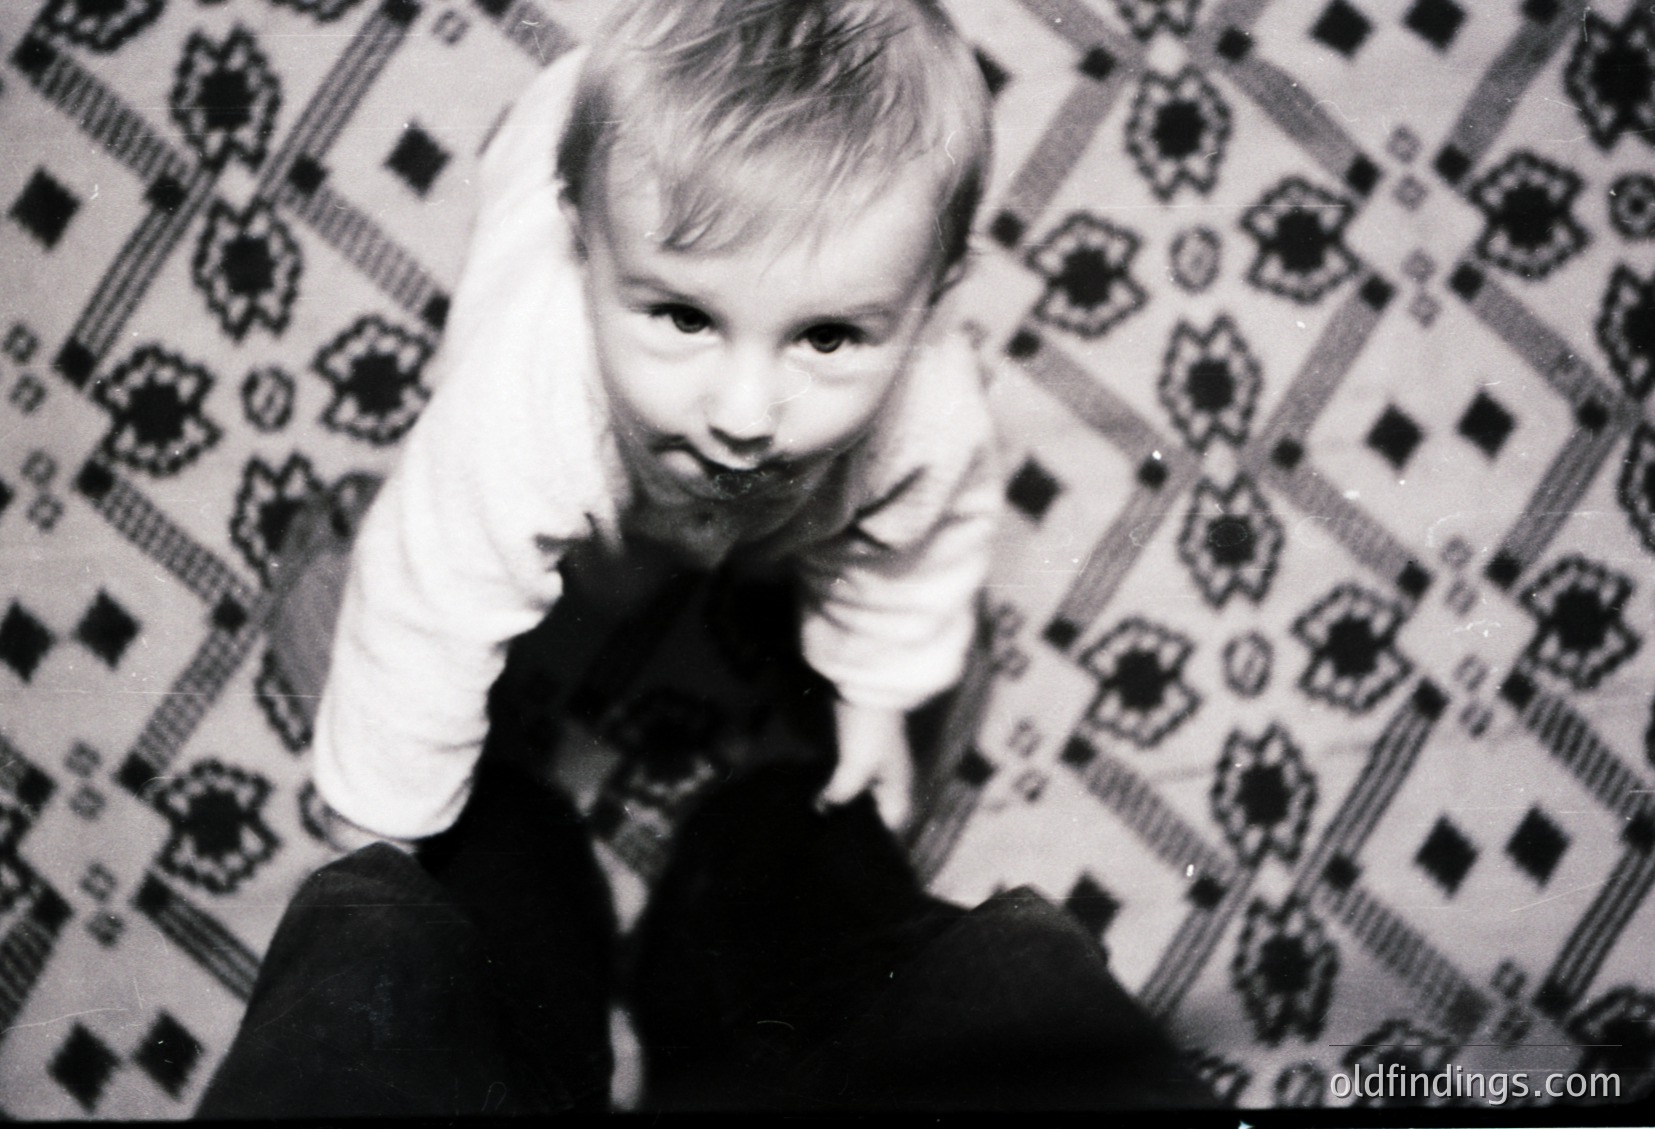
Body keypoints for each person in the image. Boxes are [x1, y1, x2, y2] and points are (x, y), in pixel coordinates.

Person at [309, 0, 1002, 856]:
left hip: (778, 511)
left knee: (912, 568)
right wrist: (379, 831)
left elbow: (913, 545)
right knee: (423, 566)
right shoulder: (518, 407)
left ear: (933, 298)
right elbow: (426, 613)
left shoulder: (926, 408)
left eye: (826, 336)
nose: (744, 417)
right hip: (539, 399)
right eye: (682, 317)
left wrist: (876, 691)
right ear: (581, 242)